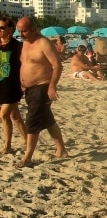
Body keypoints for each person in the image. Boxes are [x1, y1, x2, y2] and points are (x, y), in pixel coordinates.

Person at [14, 17, 68, 168]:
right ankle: (61, 150)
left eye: (24, 30)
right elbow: (25, 64)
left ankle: (27, 158)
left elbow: (57, 66)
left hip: (42, 87)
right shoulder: (25, 43)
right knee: (48, 120)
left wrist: (52, 87)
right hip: (29, 89)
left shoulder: (43, 43)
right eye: (19, 31)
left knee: (32, 121)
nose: (21, 34)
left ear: (34, 28)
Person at [0, 17, 27, 154]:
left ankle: (8, 146)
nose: (0, 30)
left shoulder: (18, 46)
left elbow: (26, 65)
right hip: (1, 86)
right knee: (14, 115)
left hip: (13, 86)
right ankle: (27, 139)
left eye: (2, 27)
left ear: (11, 29)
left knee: (4, 114)